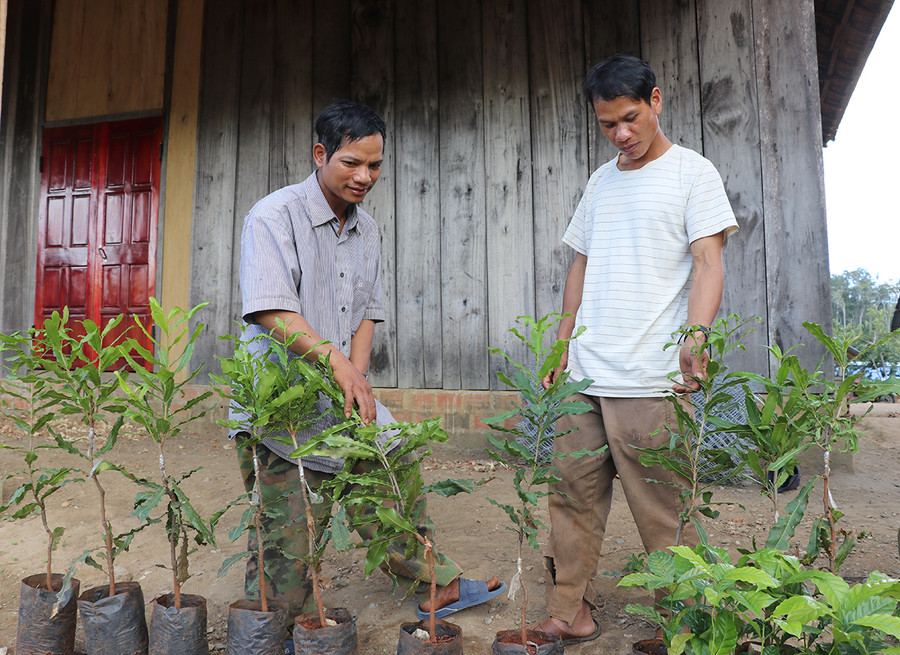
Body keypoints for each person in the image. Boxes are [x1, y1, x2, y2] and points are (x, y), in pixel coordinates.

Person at [232, 101, 502, 651]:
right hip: (279, 402)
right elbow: (271, 309)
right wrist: (337, 366)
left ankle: (436, 583)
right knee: (289, 532)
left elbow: (364, 314)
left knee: (393, 459)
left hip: (341, 386)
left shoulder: (369, 230)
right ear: (320, 154)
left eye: (375, 166)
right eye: (352, 163)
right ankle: (279, 632)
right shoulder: (272, 216)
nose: (364, 177)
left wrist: (356, 375)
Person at [533, 55, 739, 643]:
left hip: (652, 378)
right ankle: (570, 610)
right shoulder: (601, 181)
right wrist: (561, 343)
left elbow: (708, 262)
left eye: (629, 118)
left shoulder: (692, 174)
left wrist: (696, 335)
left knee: (665, 511)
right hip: (585, 375)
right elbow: (581, 264)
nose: (621, 134)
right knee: (569, 495)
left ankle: (684, 624)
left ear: (655, 99)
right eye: (607, 125)